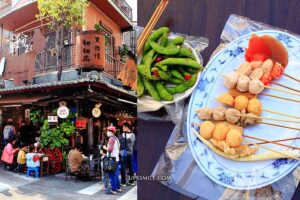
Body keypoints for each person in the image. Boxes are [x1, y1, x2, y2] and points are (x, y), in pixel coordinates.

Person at [106, 126, 121, 195]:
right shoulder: (116, 138)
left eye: (108, 131)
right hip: (116, 159)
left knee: (111, 175)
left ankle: (113, 189)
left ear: (111, 132)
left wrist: (105, 148)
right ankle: (118, 188)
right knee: (116, 174)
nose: (107, 132)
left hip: (112, 159)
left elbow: (110, 149)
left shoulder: (111, 139)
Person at [120, 122, 136, 186]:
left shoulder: (123, 134)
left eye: (123, 127)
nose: (122, 128)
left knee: (123, 167)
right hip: (130, 153)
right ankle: (131, 181)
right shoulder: (133, 135)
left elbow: (121, 144)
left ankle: (123, 182)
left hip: (124, 153)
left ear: (127, 128)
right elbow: (132, 143)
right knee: (130, 167)